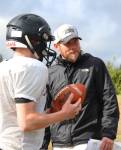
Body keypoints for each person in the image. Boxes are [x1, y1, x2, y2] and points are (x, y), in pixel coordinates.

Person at [0, 15, 81, 150]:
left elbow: (16, 113)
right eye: (44, 40)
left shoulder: (4, 66)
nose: (45, 45)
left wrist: (50, 112)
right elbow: (26, 122)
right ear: (32, 40)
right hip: (20, 146)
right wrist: (64, 114)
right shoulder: (32, 67)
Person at [44, 24, 120, 150]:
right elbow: (46, 111)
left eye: (76, 42)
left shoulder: (95, 65)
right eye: (68, 43)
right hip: (59, 143)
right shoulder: (50, 72)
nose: (73, 47)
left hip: (89, 140)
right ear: (56, 46)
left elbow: (109, 100)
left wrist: (108, 133)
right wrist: (42, 146)